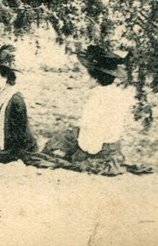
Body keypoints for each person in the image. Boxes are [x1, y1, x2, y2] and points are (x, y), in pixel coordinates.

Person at [37, 44, 149, 175]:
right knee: (65, 137)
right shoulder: (114, 94)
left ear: (95, 77)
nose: (84, 78)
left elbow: (92, 144)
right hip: (112, 148)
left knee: (51, 151)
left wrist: (77, 151)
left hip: (99, 152)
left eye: (86, 74)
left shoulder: (97, 99)